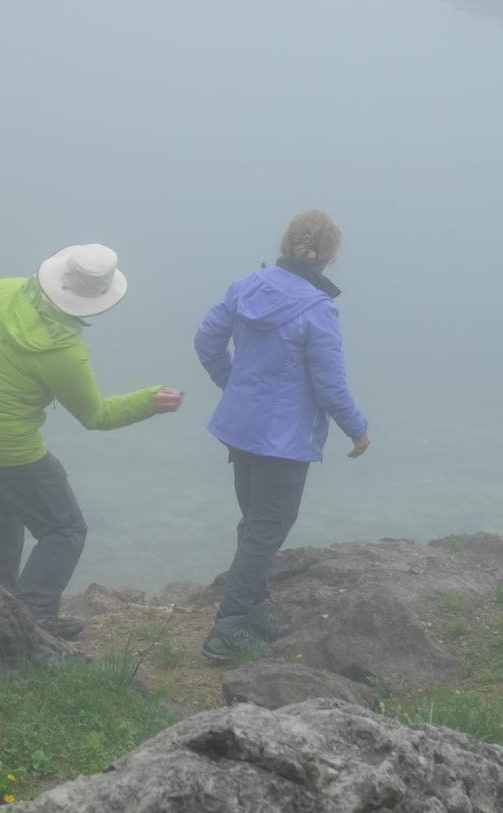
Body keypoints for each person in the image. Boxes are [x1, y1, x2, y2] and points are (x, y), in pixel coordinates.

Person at [0, 244, 183, 639]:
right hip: (10, 451)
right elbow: (96, 415)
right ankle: (34, 615)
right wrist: (149, 401)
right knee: (65, 530)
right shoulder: (64, 352)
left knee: (4, 505)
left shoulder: (0, 290)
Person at [196, 211, 371, 664]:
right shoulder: (318, 309)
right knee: (266, 529)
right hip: (284, 438)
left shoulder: (245, 287)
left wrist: (232, 386)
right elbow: (329, 384)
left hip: (241, 428)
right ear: (330, 255)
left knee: (254, 521)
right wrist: (357, 428)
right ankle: (228, 628)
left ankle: (255, 605)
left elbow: (206, 341)